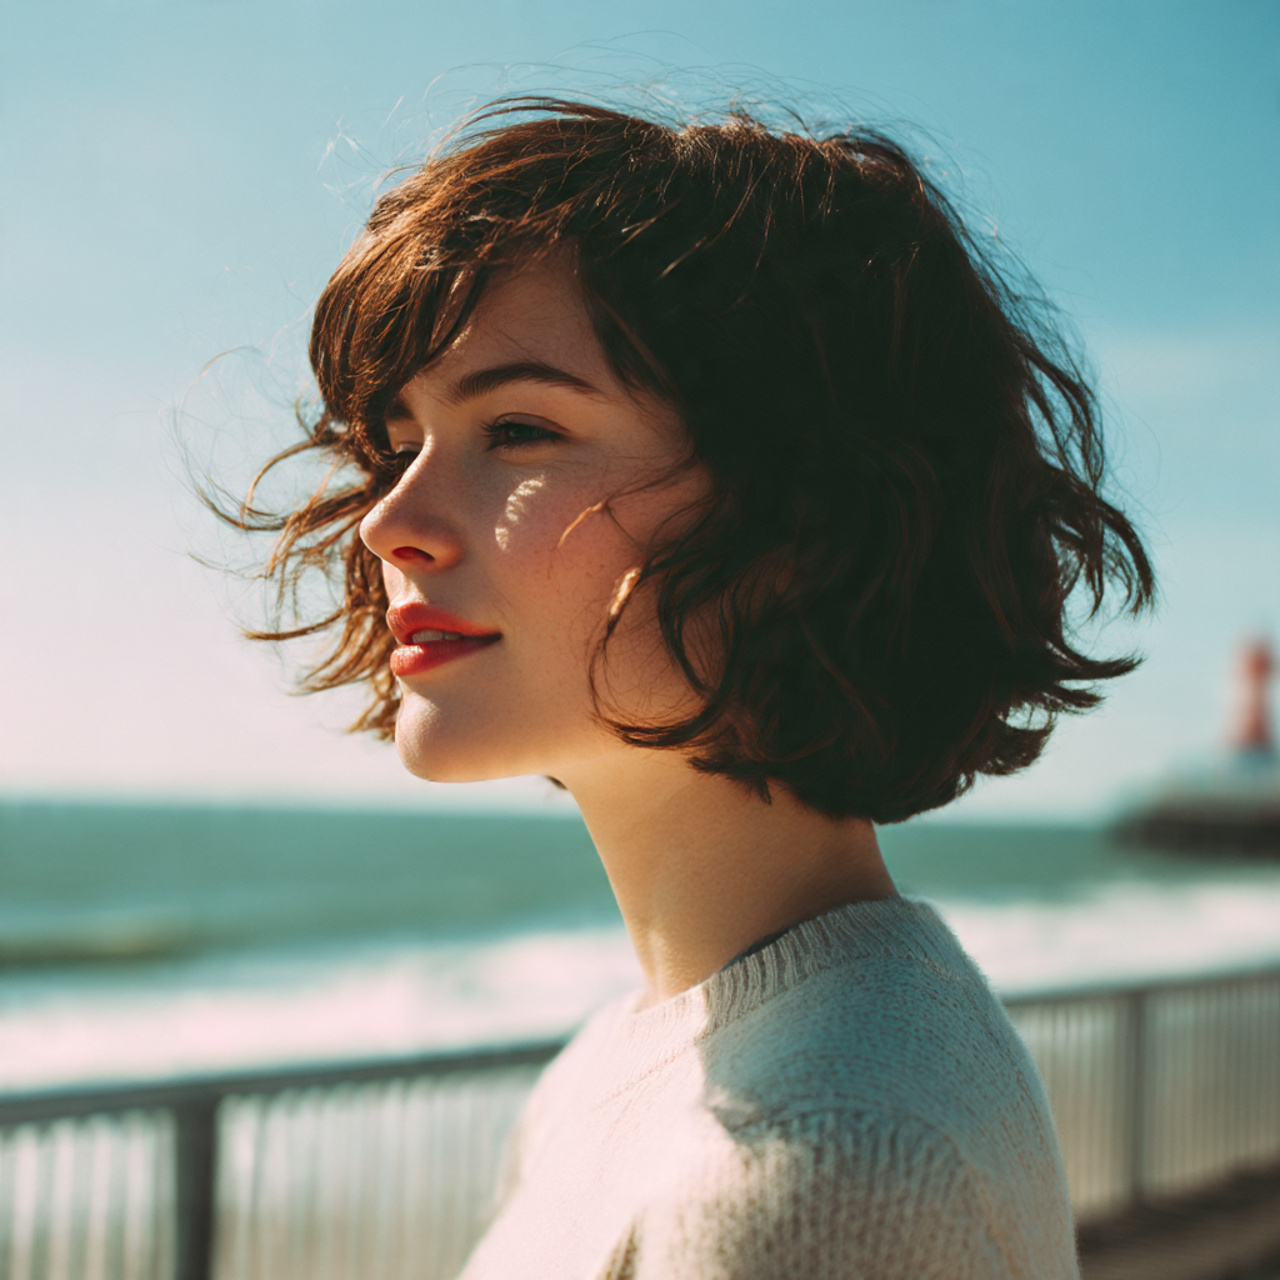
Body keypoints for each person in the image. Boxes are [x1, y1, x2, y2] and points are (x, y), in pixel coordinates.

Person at [230, 98, 1153, 1278]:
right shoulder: (621, 1064)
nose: (389, 520)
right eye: (397, 438)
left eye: (517, 429)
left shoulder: (815, 1165)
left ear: (799, 506)